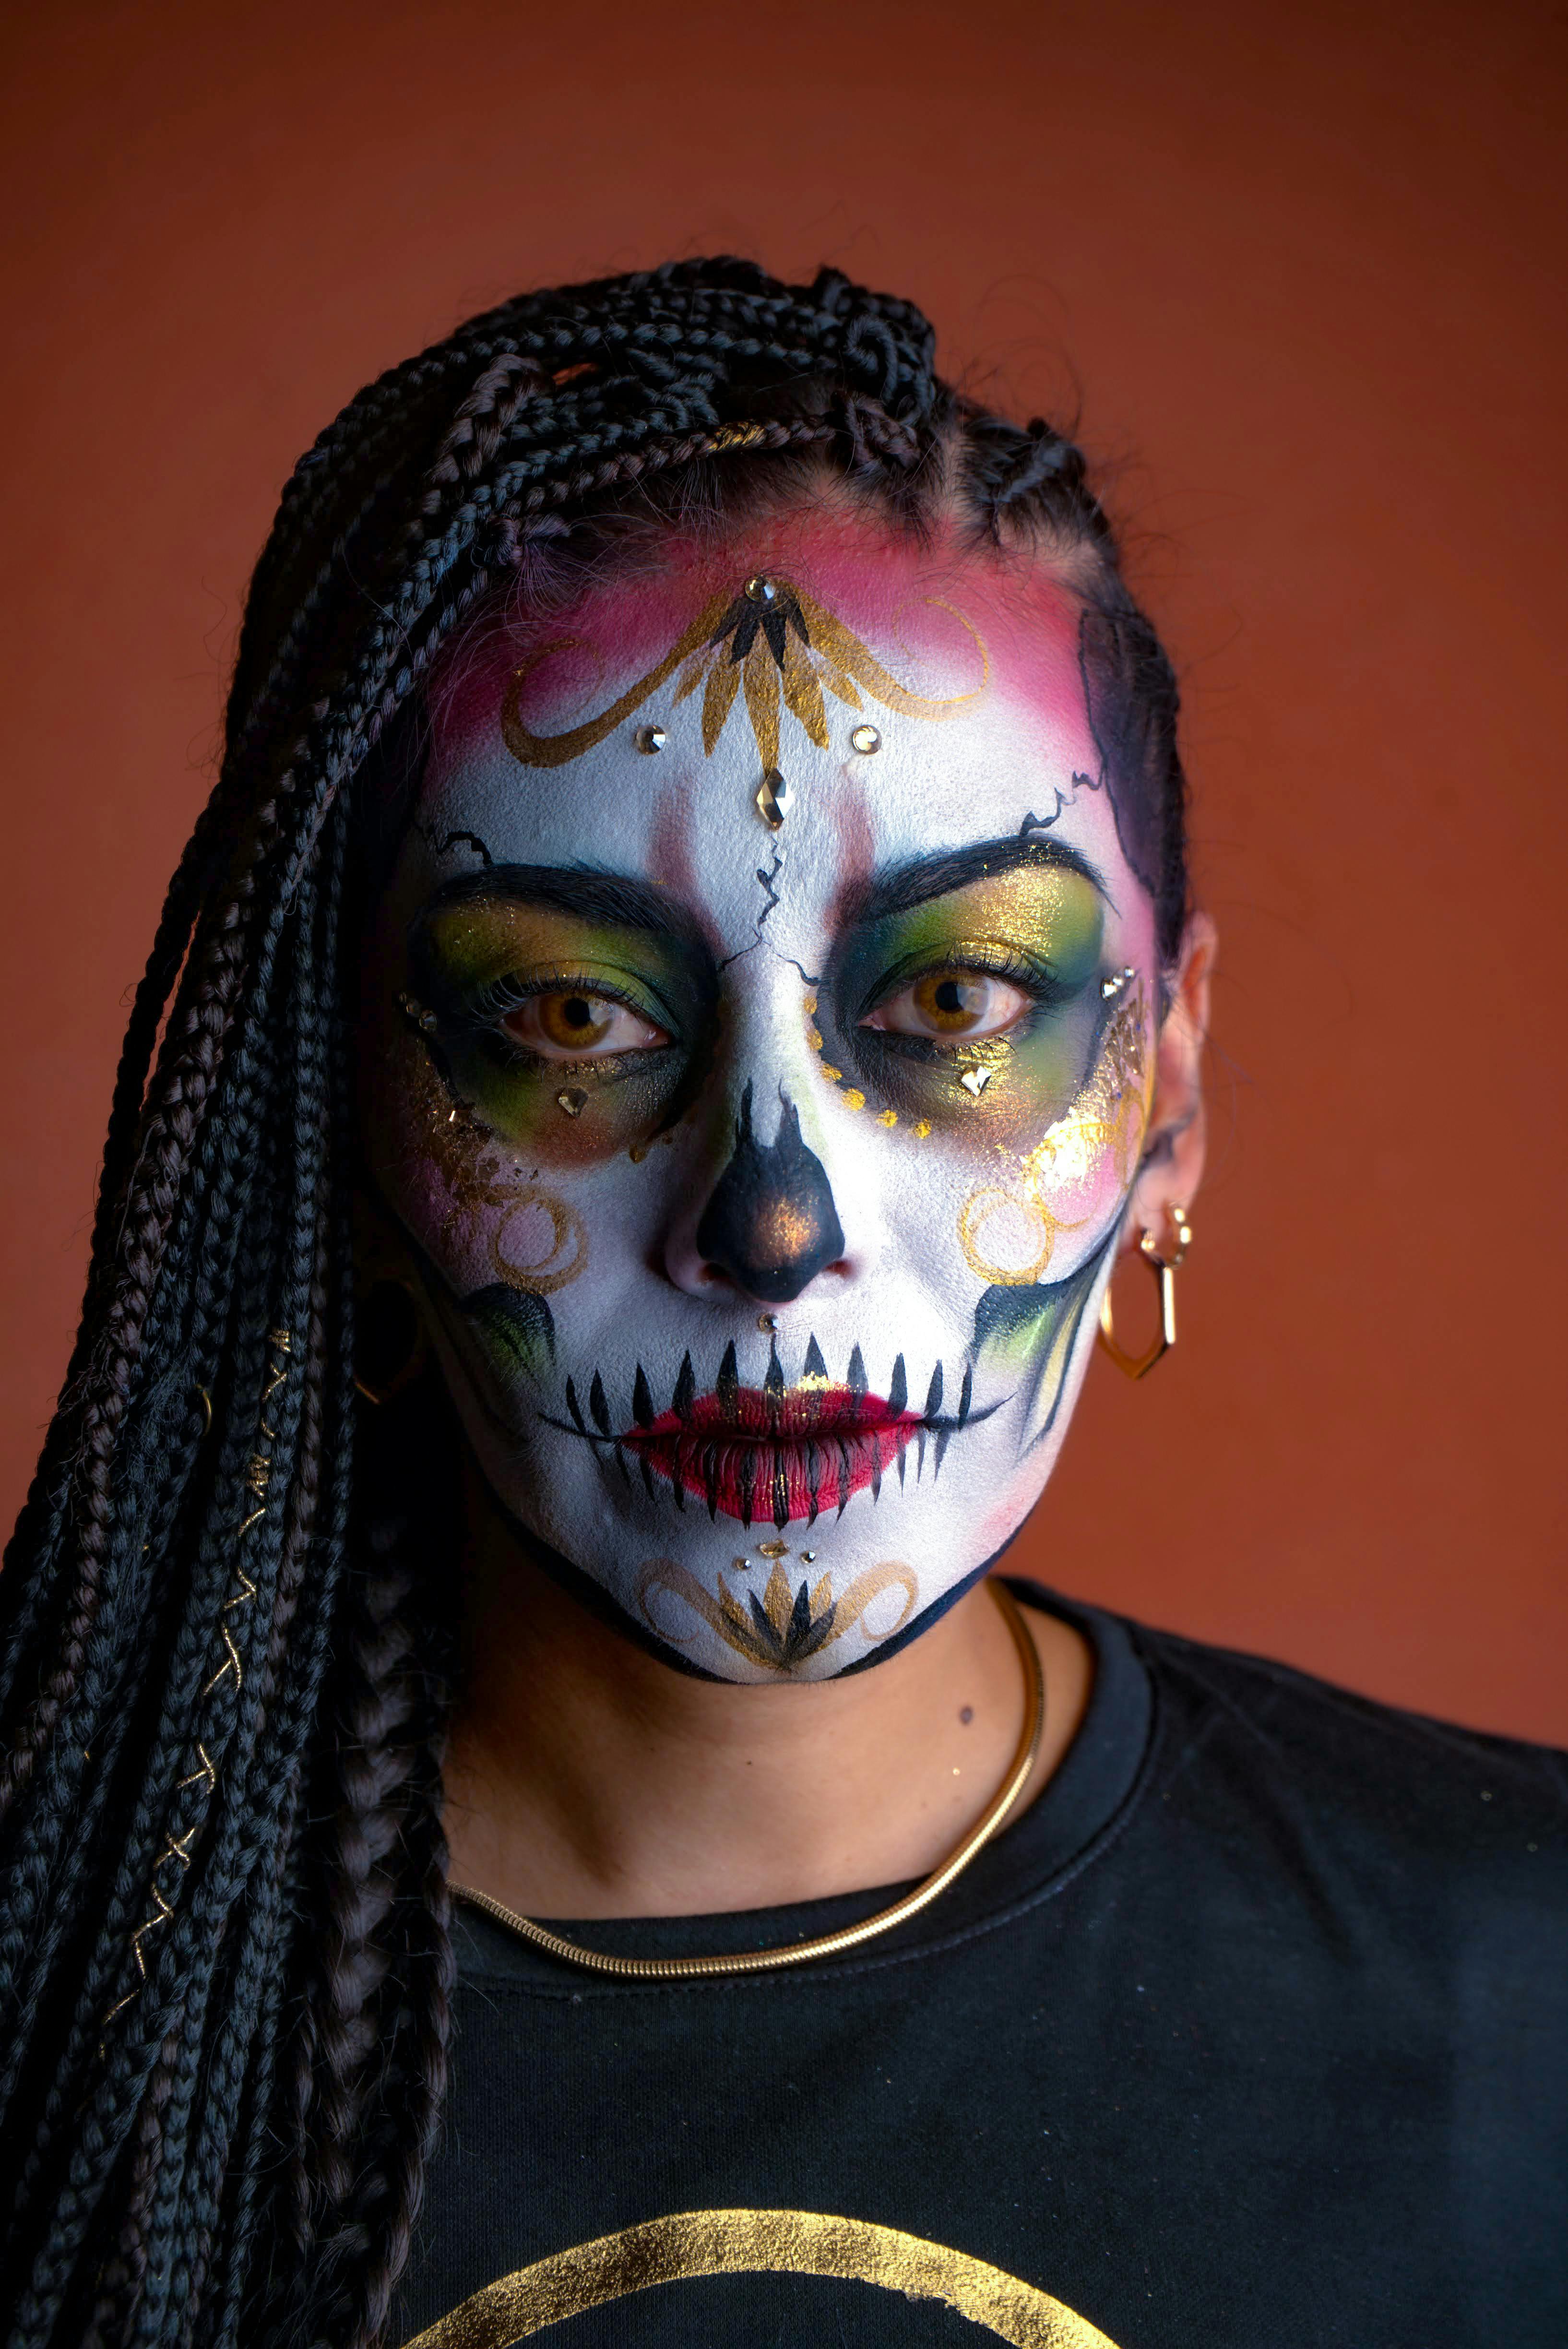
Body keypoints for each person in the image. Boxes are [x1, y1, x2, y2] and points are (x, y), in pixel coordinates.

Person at [0, 258, 1561, 2349]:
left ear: (1164, 1089)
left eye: (953, 1000)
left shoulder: (1523, 1996)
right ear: (347, 1111)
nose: (770, 1221)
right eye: (570, 1013)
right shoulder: (55, 2032)